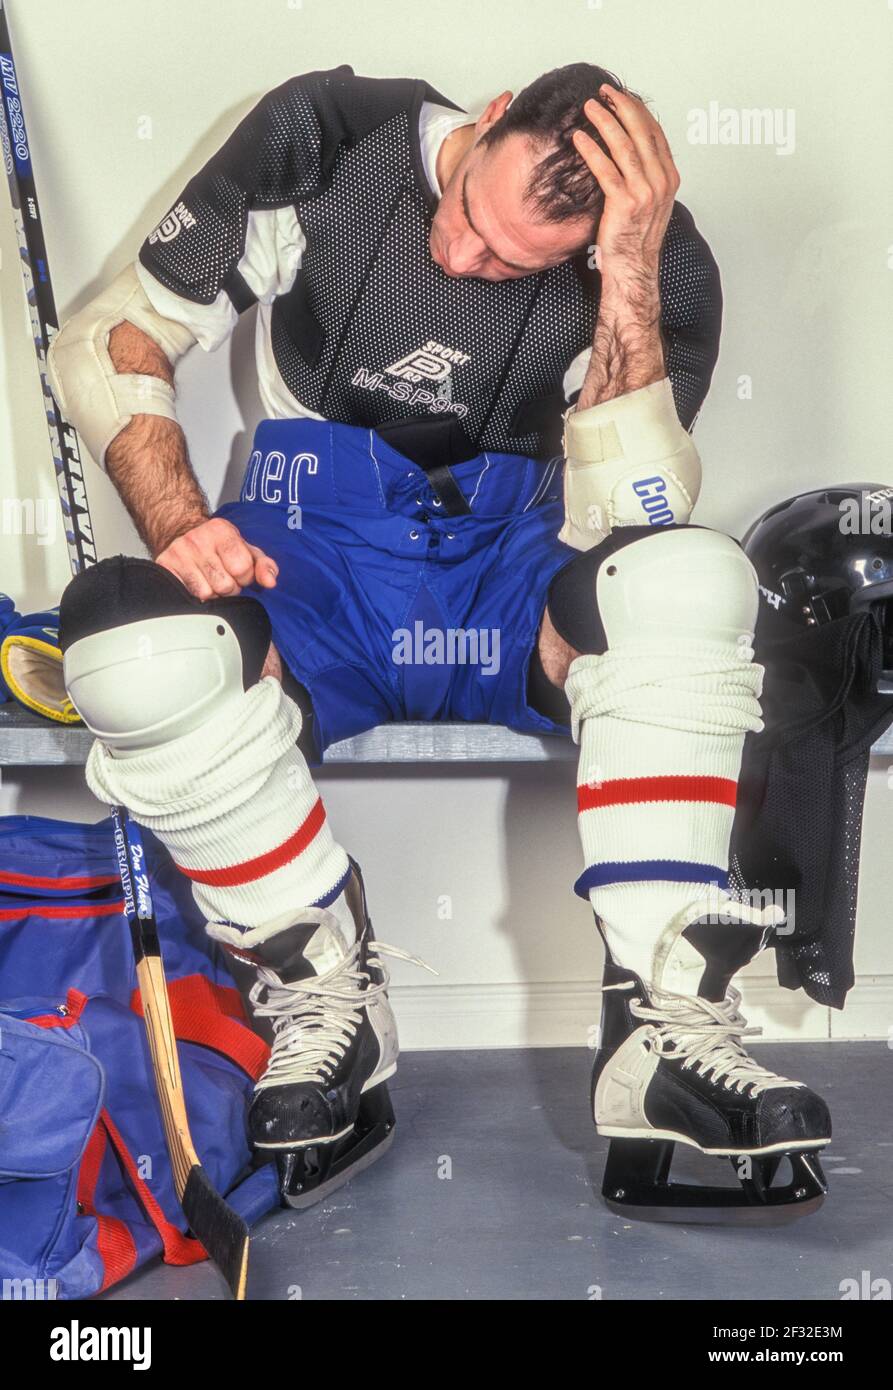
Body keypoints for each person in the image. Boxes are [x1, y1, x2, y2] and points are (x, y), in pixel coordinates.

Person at [53, 62, 830, 1219]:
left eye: (516, 260)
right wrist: (179, 531)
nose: (464, 260)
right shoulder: (323, 139)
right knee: (134, 642)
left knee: (690, 579)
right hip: (308, 547)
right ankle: (322, 989)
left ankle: (660, 1030)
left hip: (511, 561)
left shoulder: (660, 264)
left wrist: (623, 278)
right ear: (493, 111)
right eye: (469, 213)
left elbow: (629, 526)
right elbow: (112, 335)